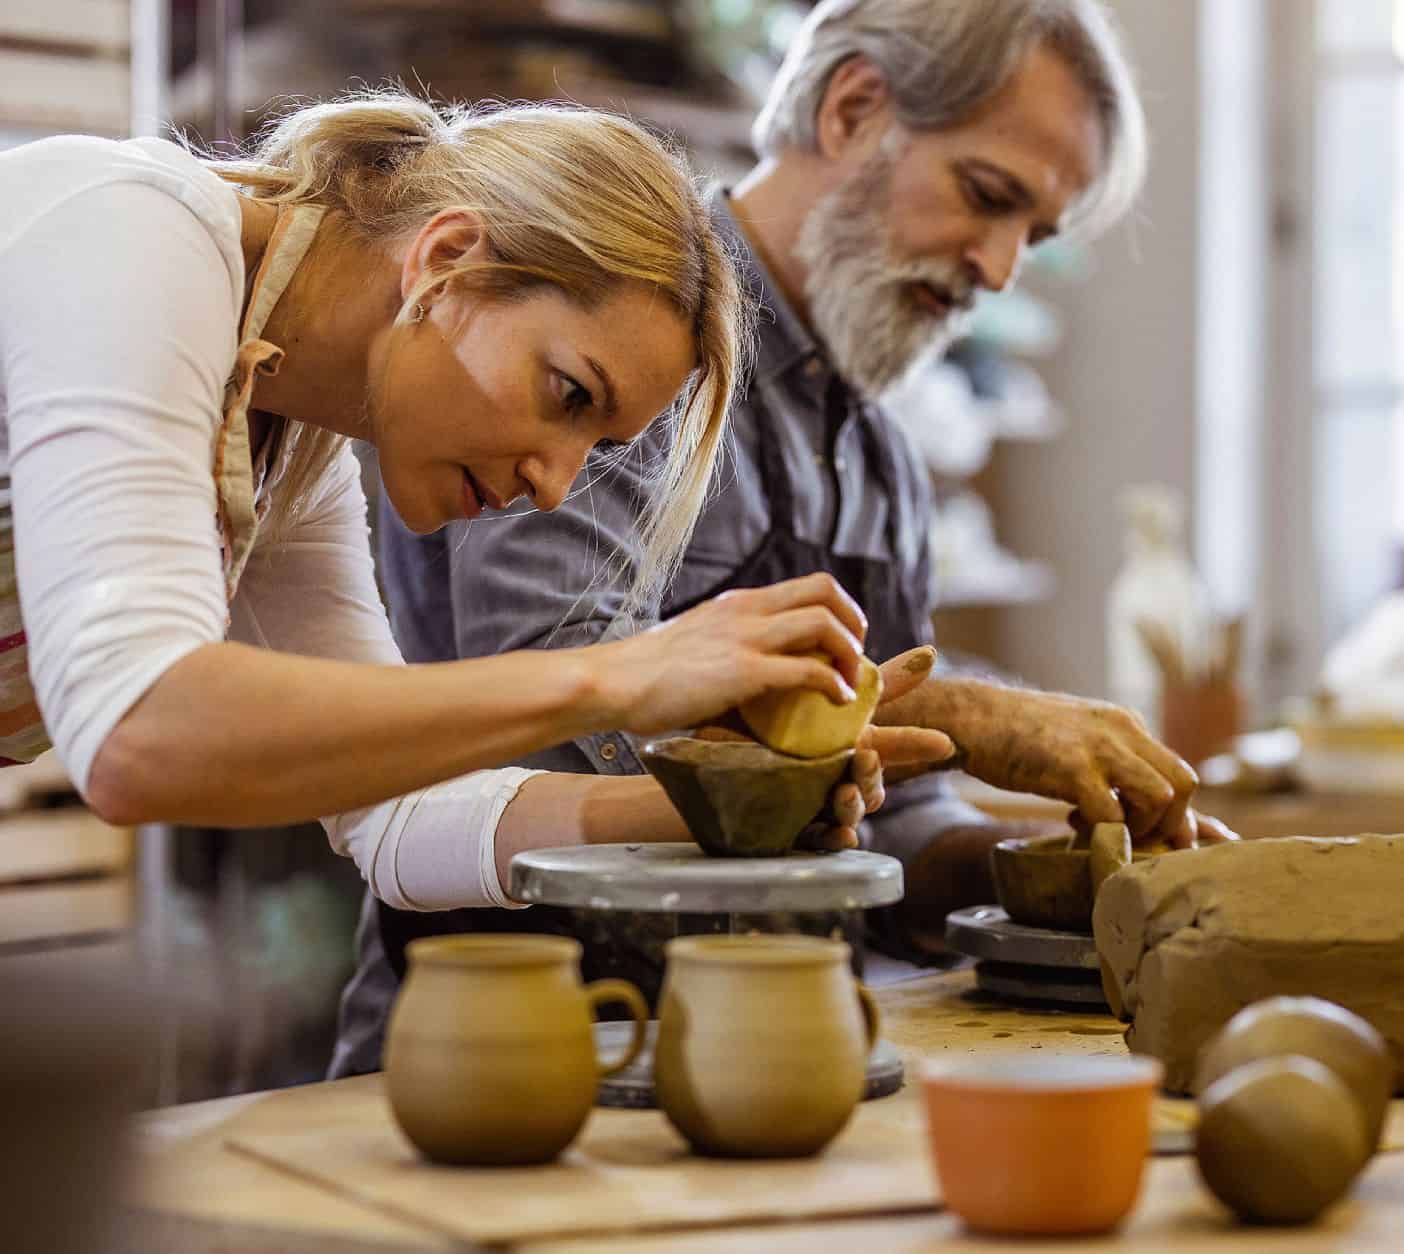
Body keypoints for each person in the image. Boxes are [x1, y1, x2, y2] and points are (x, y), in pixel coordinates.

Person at [330, 0, 1237, 1076]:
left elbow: (880, 820)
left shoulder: (881, 458)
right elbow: (552, 695)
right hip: (512, 1051)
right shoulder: (621, 344)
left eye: (1031, 238)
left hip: (767, 1057)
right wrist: (959, 709)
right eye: (987, 198)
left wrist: (1040, 872)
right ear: (853, 110)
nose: (997, 270)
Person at [0, 90, 954, 915]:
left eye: (598, 446)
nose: (553, 486)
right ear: (448, 259)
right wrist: (621, 675)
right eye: (570, 394)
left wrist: (726, 803)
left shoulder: (295, 440)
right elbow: (136, 733)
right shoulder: (129, 234)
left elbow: (391, 821)